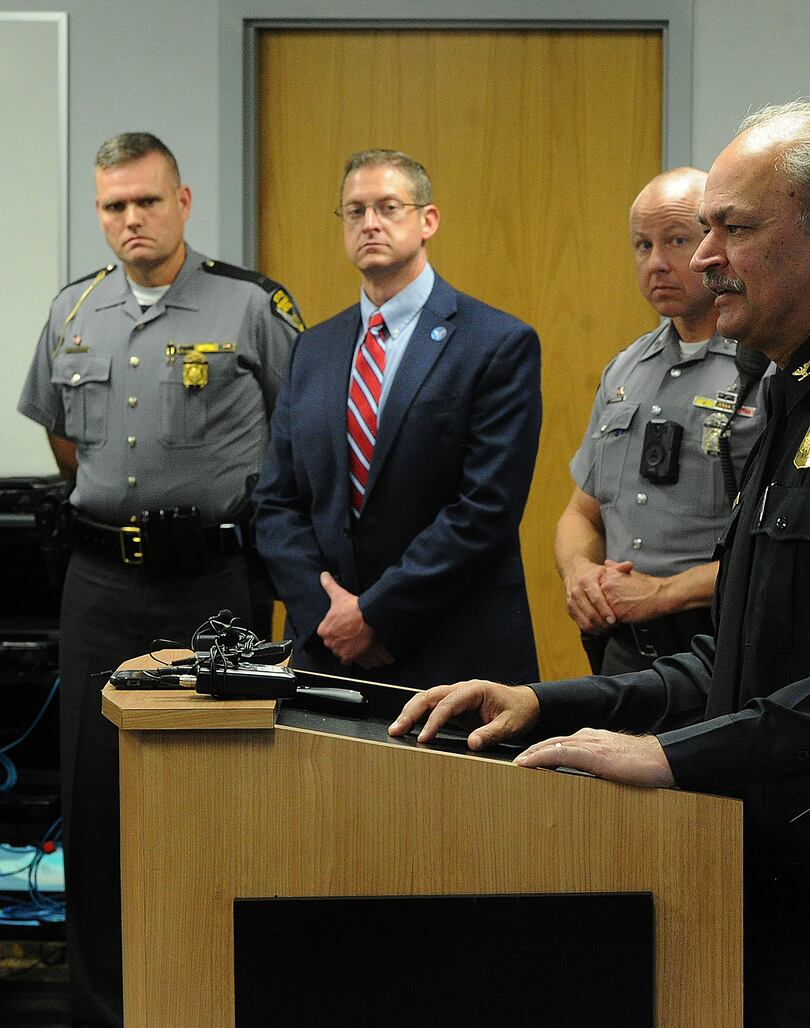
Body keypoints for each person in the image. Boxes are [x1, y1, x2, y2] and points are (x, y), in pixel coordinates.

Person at [391, 101, 810, 1025]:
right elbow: (742, 660)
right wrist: (550, 702)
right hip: (777, 900)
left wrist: (667, 756)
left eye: (732, 228)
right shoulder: (792, 399)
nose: (702, 259)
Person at [16, 131, 302, 1027]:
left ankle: (226, 995)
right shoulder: (73, 313)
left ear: (183, 202)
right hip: (100, 583)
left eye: (147, 201)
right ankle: (105, 1009)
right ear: (99, 213)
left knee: (224, 793)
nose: (131, 220)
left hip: (214, 580)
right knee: (95, 806)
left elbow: (300, 436)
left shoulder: (251, 305)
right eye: (113, 206)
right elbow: (62, 439)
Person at [254, 149, 541, 688]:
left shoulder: (495, 343)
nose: (370, 224)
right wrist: (328, 614)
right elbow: (276, 502)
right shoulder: (312, 349)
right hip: (327, 653)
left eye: (388, 207)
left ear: (427, 220)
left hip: (451, 650)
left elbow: (485, 508)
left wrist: (377, 616)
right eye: (355, 211)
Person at [555, 167, 768, 675]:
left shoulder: (766, 368)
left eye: (676, 240)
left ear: (714, 247)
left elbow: (773, 552)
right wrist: (579, 571)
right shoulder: (626, 369)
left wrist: (663, 593)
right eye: (642, 245)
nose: (657, 263)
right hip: (622, 648)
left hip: (716, 646)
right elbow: (581, 514)